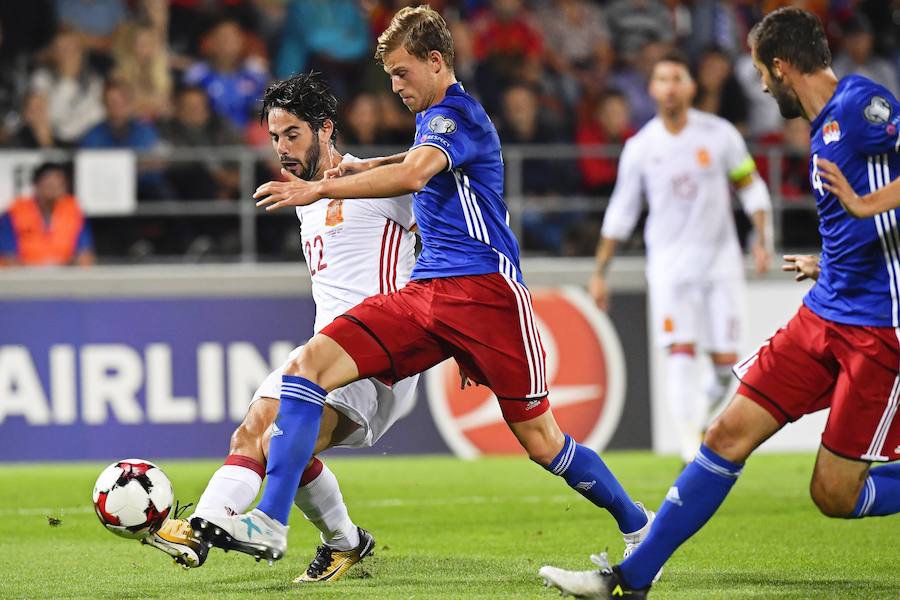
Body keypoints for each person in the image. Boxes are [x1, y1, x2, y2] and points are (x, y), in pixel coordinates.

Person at [196, 5, 654, 570]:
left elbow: (414, 175)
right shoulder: (432, 120)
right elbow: (412, 159)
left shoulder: (457, 113)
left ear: (436, 62)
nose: (395, 86)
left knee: (542, 442)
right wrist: (357, 170)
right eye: (389, 76)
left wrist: (321, 191)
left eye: (403, 73)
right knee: (305, 368)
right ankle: (269, 519)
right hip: (428, 293)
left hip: (486, 294)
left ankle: (638, 525)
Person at [539, 8, 900, 598]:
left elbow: (873, 201)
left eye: (761, 70)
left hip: (877, 328)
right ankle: (629, 581)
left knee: (834, 495)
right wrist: (828, 260)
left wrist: (864, 208)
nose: (759, 84)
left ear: (781, 67)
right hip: (824, 311)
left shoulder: (862, 105)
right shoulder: (821, 124)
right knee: (724, 433)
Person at [142, 71, 419, 583]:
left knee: (279, 441)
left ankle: (214, 528)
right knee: (253, 432)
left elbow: (431, 181)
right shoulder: (302, 199)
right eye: (274, 137)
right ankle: (340, 542)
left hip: (378, 357)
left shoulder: (379, 184)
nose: (281, 147)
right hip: (323, 352)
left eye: (292, 133)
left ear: (326, 129)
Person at [587, 51, 772, 466]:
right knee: (680, 351)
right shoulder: (641, 147)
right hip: (669, 266)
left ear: (691, 87)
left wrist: (763, 238)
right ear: (652, 90)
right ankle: (691, 444)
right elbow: (621, 213)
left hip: (721, 263)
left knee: (726, 364)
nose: (670, 87)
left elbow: (751, 188)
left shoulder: (720, 135)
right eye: (662, 79)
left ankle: (701, 420)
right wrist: (601, 272)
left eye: (677, 78)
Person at [0, 162, 94, 266]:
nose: (54, 189)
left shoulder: (74, 211)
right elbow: (8, 258)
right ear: (36, 184)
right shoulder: (14, 213)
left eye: (59, 185)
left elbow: (85, 255)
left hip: (64, 275)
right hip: (24, 276)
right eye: (49, 184)